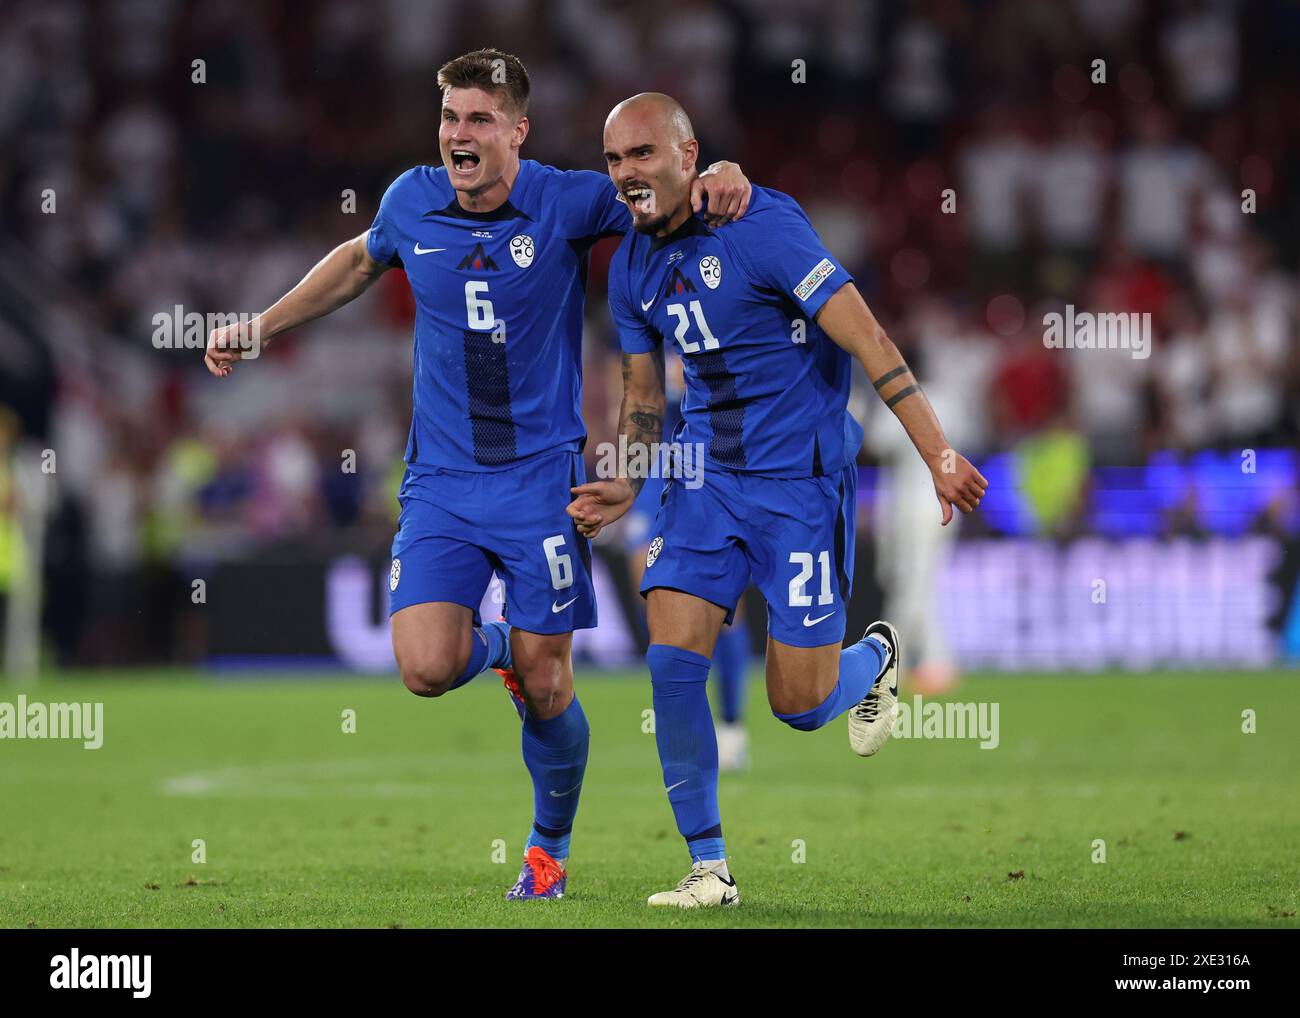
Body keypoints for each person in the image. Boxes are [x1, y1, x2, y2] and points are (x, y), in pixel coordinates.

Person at [204, 51, 751, 901]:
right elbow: (357, 260)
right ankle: (493, 649)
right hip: (441, 484)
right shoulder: (408, 200)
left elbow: (660, 190)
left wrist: (717, 170)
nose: (459, 135)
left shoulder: (568, 201)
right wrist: (265, 325)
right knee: (425, 668)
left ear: (516, 132)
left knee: (550, 685)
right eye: (451, 118)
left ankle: (547, 854)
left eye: (479, 120)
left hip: (542, 483)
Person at [569, 93, 986, 908]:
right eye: (614, 161)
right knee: (671, 656)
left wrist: (936, 451)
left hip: (798, 482)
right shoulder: (629, 268)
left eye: (642, 155)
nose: (626, 176)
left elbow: (869, 339)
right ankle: (708, 865)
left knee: (797, 705)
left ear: (689, 156)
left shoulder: (764, 226)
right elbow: (645, 395)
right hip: (702, 478)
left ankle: (875, 659)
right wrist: (626, 474)